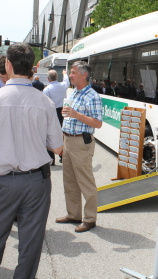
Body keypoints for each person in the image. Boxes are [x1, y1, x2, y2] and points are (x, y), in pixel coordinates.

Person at [0, 43, 63, 278]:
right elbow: (57, 147)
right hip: (36, 182)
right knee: (30, 244)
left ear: (8, 65)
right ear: (32, 68)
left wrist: (2, 147)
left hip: (2, 181)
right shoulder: (45, 102)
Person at [56, 61, 103, 232]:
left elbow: (97, 123)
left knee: (85, 181)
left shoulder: (93, 96)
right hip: (68, 140)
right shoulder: (74, 93)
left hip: (81, 142)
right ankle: (73, 214)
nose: (70, 75)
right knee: (69, 181)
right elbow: (70, 117)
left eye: (74, 72)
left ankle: (90, 218)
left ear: (84, 75)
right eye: (71, 73)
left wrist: (76, 115)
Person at [43, 69, 70, 165]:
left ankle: (51, 159)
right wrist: (65, 74)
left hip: (52, 112)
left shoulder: (47, 89)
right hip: (63, 112)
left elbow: (45, 103)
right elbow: (67, 81)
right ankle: (63, 156)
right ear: (57, 77)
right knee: (62, 134)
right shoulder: (63, 85)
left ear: (48, 79)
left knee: (50, 134)